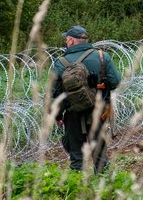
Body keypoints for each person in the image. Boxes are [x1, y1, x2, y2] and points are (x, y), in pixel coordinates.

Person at [52, 25, 121, 173]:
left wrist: (58, 116)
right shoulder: (102, 57)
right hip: (99, 112)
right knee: (100, 154)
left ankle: (76, 190)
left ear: (70, 41)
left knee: (76, 157)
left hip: (72, 113)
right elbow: (115, 81)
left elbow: (54, 93)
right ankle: (104, 189)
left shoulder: (60, 62)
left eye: (66, 39)